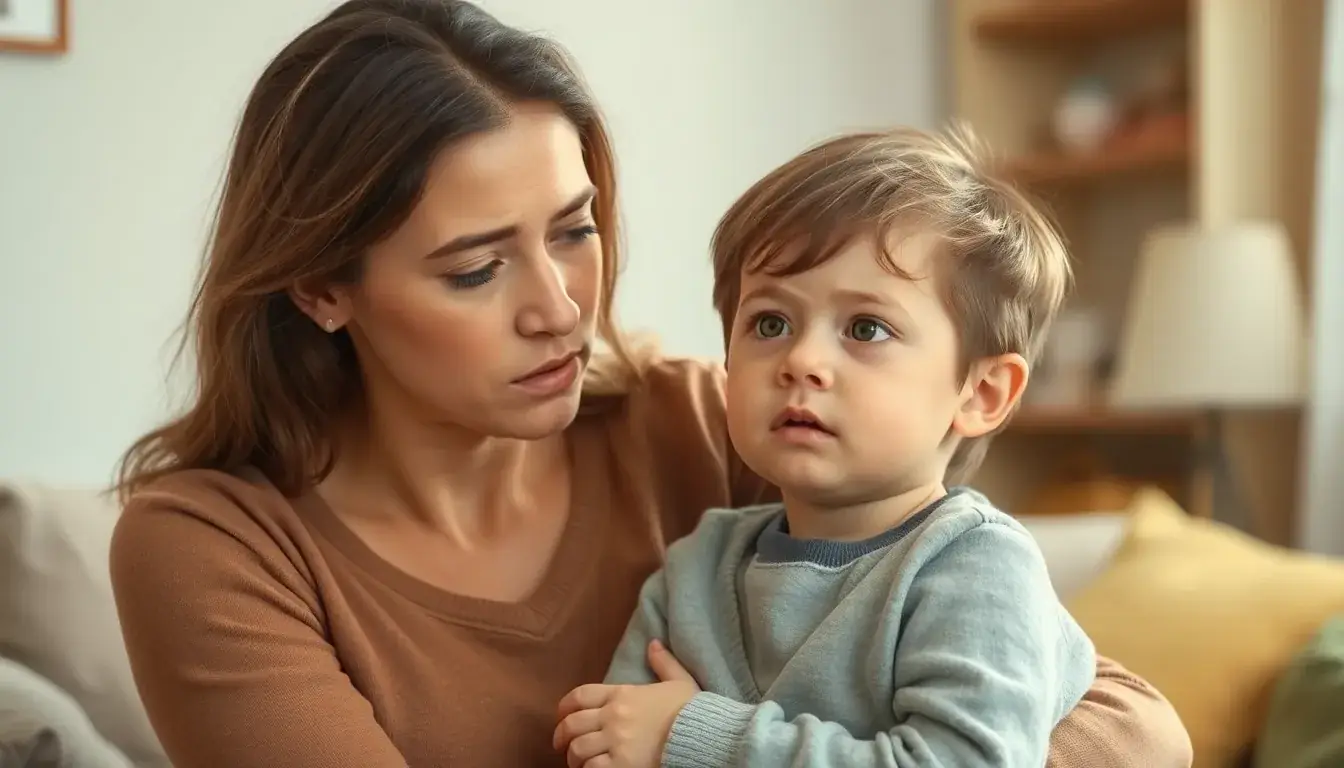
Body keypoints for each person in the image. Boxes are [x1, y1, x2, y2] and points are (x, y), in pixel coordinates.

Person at [107, 1, 1193, 767]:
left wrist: (714, 744)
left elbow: (1137, 730)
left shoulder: (709, 423)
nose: (560, 306)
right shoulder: (211, 548)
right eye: (476, 268)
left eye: (574, 231)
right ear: (319, 288)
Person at [555, 126, 1097, 768]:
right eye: (770, 323)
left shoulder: (975, 567)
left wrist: (697, 737)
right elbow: (607, 745)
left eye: (866, 328)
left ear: (981, 393)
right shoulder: (694, 570)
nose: (802, 360)